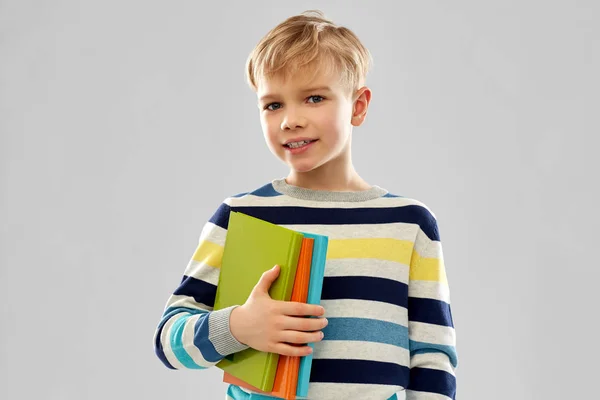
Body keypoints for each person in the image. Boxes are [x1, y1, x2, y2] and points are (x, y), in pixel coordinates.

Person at [153, 9, 457, 400]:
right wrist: (239, 327)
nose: (290, 120)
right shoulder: (240, 216)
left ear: (358, 106)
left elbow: (434, 357)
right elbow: (169, 341)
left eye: (314, 98)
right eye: (272, 105)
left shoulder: (409, 223)